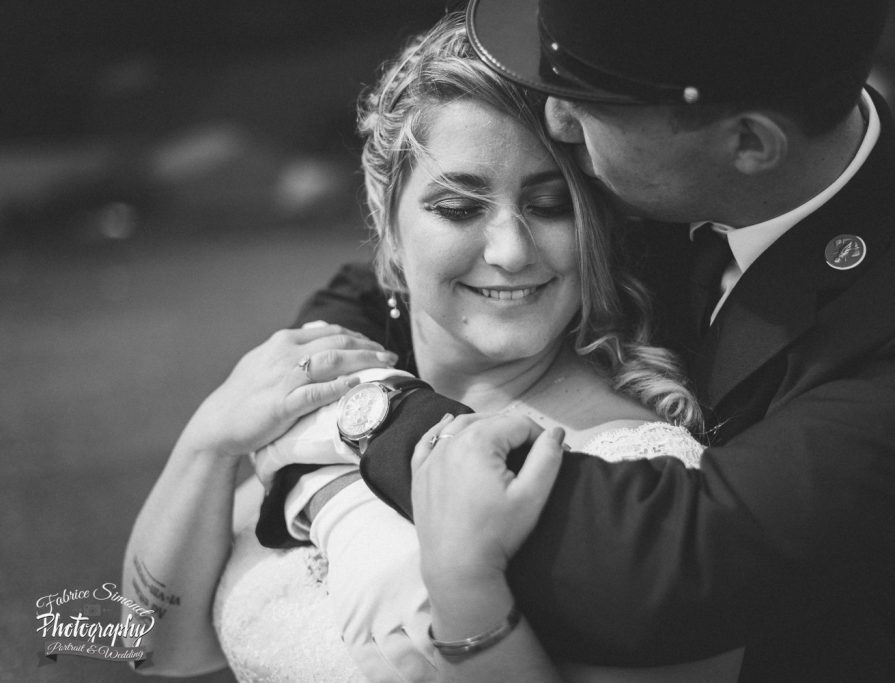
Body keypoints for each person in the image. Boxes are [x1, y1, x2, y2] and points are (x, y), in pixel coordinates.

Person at [257, 0, 895, 681]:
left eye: (592, 102)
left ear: (749, 143)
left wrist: (366, 420)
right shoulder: (650, 168)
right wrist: (319, 377)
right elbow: (385, 286)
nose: (559, 120)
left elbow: (669, 567)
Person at [123, 13, 743, 682]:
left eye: (549, 205)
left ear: (596, 223)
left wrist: (468, 594)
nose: (511, 251)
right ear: (386, 222)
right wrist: (207, 445)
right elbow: (154, 648)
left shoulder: (637, 474)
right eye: (459, 208)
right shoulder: (345, 390)